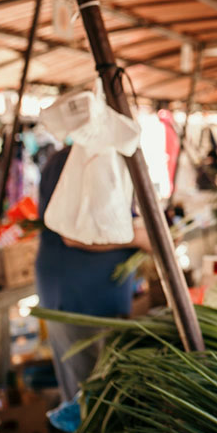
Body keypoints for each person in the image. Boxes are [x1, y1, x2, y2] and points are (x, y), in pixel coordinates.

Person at [35, 145, 151, 402]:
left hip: (97, 297)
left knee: (102, 391)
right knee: (88, 396)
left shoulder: (105, 156)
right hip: (78, 298)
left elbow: (108, 218)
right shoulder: (74, 161)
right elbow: (73, 233)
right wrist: (138, 237)